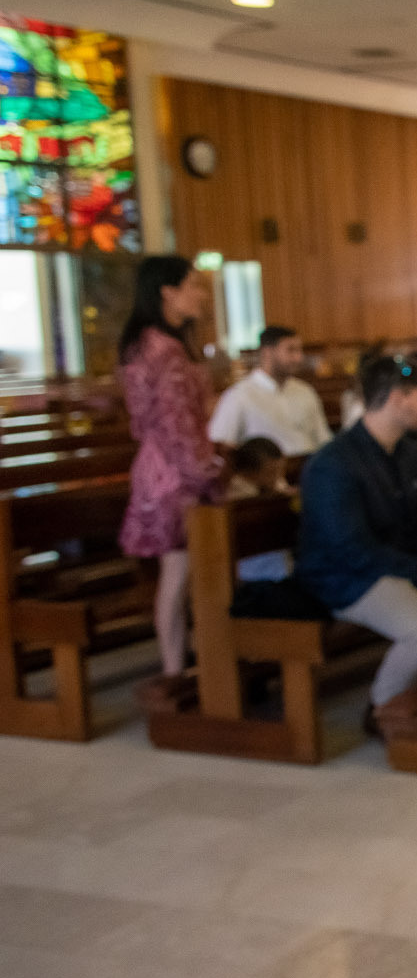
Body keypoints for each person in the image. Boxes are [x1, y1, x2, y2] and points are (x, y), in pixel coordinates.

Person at [296, 355, 417, 733]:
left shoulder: (408, 453)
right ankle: (382, 708)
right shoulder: (333, 463)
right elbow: (349, 549)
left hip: (393, 567)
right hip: (344, 579)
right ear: (397, 398)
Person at [117, 254, 222, 679]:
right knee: (180, 574)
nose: (201, 295)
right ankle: (178, 672)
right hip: (176, 473)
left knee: (181, 574)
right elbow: (177, 424)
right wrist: (208, 468)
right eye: (194, 285)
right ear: (168, 291)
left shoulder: (144, 343)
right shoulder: (166, 350)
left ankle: (183, 665)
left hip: (158, 467)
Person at [207, 325, 333, 456]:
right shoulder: (239, 395)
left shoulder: (305, 391)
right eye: (291, 350)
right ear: (267, 353)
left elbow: (323, 439)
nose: (298, 358)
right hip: (266, 472)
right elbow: (222, 443)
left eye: (299, 351)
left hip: (308, 466)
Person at [225, 436, 293, 583]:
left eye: (280, 471)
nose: (277, 478)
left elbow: (283, 490)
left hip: (280, 559)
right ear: (249, 472)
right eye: (272, 472)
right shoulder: (237, 495)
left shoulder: (273, 483)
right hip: (249, 567)